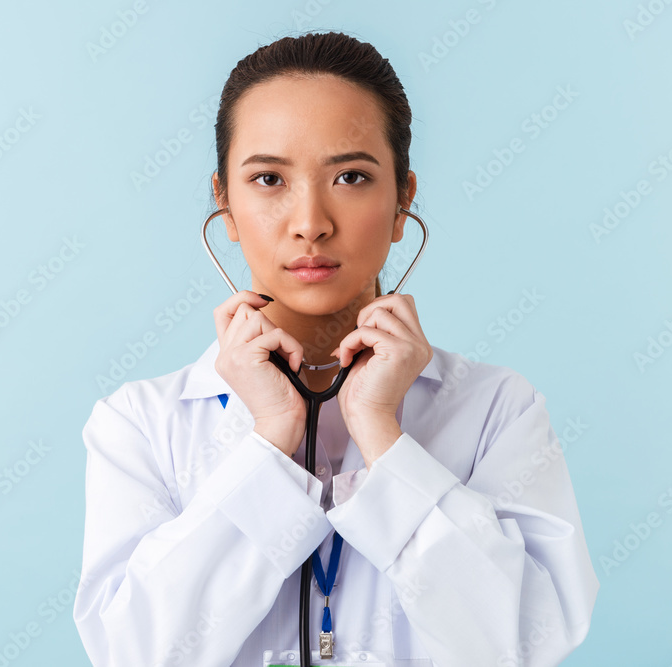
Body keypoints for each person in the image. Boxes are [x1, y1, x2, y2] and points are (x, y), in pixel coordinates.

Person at [73, 31, 599, 667]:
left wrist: (382, 434)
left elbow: (521, 645)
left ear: (404, 199)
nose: (310, 222)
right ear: (225, 204)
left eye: (351, 176)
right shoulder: (142, 424)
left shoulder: (496, 410)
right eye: (268, 178)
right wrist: (271, 438)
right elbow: (137, 655)